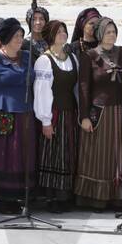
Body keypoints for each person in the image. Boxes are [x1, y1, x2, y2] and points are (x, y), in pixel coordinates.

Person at [75, 17, 122, 210]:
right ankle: (95, 198)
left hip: (119, 112)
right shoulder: (89, 56)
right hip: (98, 114)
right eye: (108, 32)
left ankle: (116, 197)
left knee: (117, 154)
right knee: (97, 155)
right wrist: (83, 116)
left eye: (114, 32)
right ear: (100, 34)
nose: (112, 35)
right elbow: (83, 88)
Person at [0, 19, 36, 214]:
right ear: (6, 39)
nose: (20, 40)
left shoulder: (28, 57)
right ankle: (3, 198)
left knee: (22, 156)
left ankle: (20, 195)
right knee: (4, 156)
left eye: (21, 36)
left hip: (25, 114)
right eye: (16, 37)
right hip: (3, 114)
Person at [33, 20, 79, 213]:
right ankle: (52, 197)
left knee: (68, 153)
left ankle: (65, 195)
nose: (63, 34)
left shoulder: (72, 58)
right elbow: (41, 92)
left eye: (64, 31)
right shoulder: (44, 60)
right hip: (54, 114)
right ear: (50, 35)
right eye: (58, 31)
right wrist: (45, 120)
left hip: (70, 113)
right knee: (53, 154)